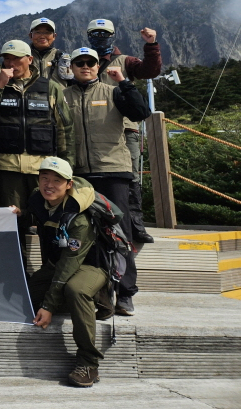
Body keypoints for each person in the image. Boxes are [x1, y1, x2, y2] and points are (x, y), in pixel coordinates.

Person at [65, 46, 151, 317]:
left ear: (97, 66)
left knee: (120, 235)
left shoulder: (112, 90)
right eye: (80, 63)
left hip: (113, 171)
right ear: (73, 67)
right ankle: (100, 296)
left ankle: (125, 294)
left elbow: (140, 112)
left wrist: (124, 83)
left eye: (90, 62)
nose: (85, 66)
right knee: (86, 236)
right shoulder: (62, 95)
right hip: (79, 175)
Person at [27, 157, 109, 388]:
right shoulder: (39, 200)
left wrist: (50, 306)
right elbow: (30, 215)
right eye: (44, 178)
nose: (49, 185)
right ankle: (89, 303)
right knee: (28, 295)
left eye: (57, 180)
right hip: (58, 264)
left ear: (69, 184)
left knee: (76, 291)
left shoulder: (79, 218)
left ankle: (88, 363)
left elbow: (69, 265)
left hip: (90, 265)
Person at [0, 40, 74, 247]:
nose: (11, 63)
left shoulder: (50, 88)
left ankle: (48, 274)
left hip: (43, 170)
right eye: (7, 59)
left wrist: (68, 166)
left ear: (30, 60)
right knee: (11, 223)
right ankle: (15, 274)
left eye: (16, 59)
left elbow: (65, 128)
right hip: (7, 169)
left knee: (48, 221)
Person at [86, 19, 162, 245]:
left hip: (125, 127)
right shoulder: (83, 60)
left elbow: (150, 71)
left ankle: (135, 226)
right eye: (95, 33)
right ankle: (95, 222)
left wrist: (151, 45)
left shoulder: (124, 61)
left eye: (105, 33)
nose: (100, 37)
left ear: (112, 36)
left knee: (130, 177)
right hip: (91, 128)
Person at [28, 17, 69, 84]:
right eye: (38, 32)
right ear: (30, 36)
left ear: (54, 36)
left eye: (47, 32)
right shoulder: (22, 57)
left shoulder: (62, 57)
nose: (42, 36)